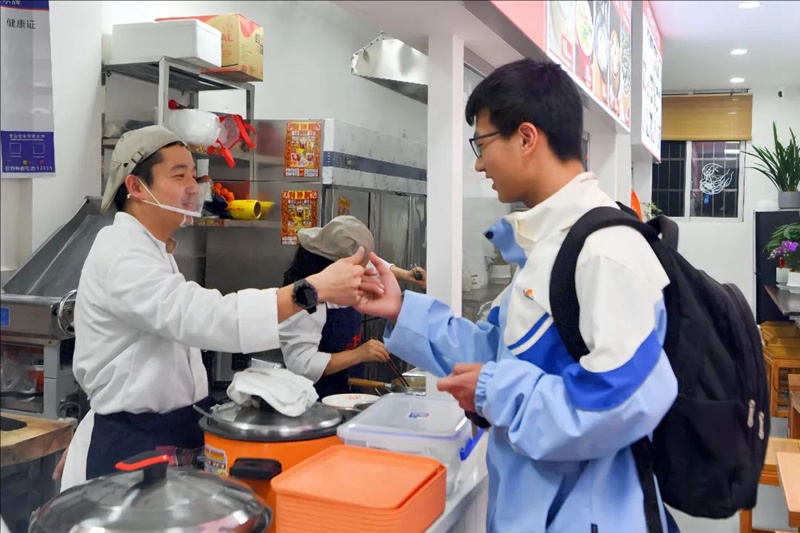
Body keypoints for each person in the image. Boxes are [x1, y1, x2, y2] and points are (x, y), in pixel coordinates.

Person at [356, 59, 679, 532]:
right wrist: (402, 309)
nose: (478, 162)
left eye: (482, 143)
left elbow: (625, 399)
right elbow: (494, 353)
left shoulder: (606, 251)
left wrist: (495, 390)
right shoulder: (554, 248)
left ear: (526, 138)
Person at [56, 126, 382, 490]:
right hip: (132, 446)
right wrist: (309, 291)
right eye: (179, 175)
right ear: (134, 187)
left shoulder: (153, 248)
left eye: (194, 175)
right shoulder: (122, 253)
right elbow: (202, 316)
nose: (194, 187)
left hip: (161, 432)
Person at [279, 215, 426, 398]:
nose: (363, 273)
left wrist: (406, 275)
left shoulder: (334, 258)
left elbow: (370, 262)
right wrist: (359, 354)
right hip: (312, 401)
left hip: (348, 389)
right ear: (335, 267)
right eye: (357, 268)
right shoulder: (304, 300)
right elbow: (301, 364)